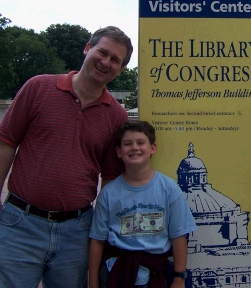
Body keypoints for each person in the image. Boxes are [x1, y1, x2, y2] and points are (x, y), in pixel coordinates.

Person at [0, 26, 133, 288]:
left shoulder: (117, 116)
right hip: (20, 224)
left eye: (115, 60)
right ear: (87, 48)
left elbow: (110, 178)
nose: (106, 62)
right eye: (102, 52)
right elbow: (6, 145)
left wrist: (101, 231)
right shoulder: (38, 88)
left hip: (77, 231)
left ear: (120, 69)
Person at [88, 120, 196, 288]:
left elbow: (179, 236)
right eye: (127, 144)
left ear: (152, 148)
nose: (134, 148)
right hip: (115, 273)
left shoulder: (169, 189)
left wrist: (179, 278)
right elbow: (97, 240)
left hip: (153, 276)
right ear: (118, 151)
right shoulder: (109, 193)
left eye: (140, 142)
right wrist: (93, 282)